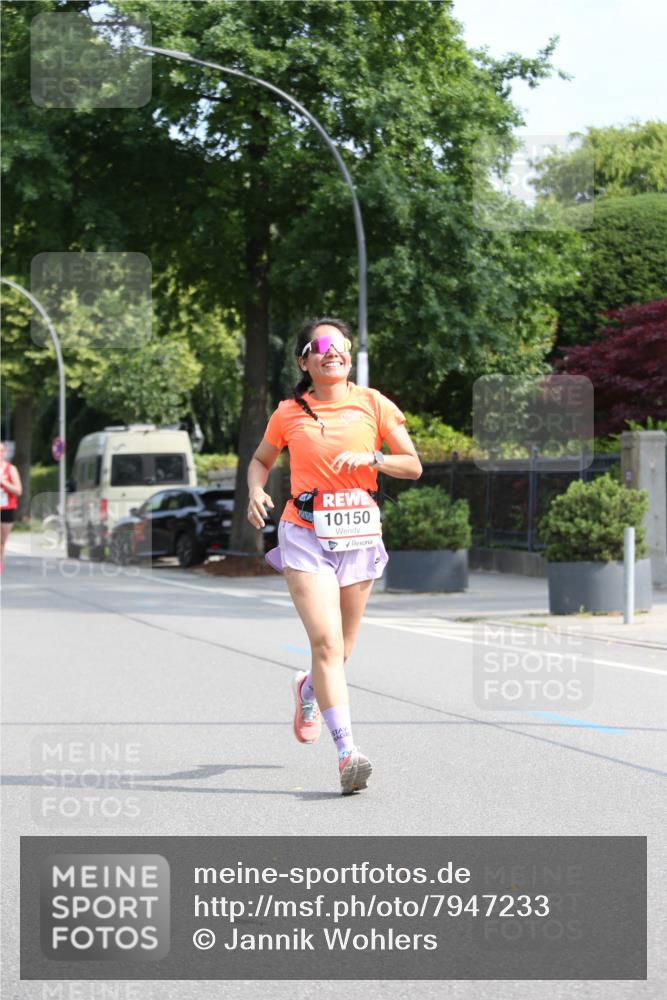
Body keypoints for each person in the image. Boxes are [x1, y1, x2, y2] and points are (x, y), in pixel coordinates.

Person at [247, 318, 422, 795]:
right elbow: (261, 460)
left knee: (340, 652)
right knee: (326, 645)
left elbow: (413, 464)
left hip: (360, 535)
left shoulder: (373, 403)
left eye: (340, 344)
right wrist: (255, 491)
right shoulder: (289, 412)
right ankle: (348, 753)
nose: (332, 351)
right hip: (304, 533)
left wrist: (374, 460)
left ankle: (307, 689)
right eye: (319, 345)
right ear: (304, 360)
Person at [1, 442, 23, 571]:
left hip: (7, 508)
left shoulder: (11, 469)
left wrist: (3, 482)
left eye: (1, 450)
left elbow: (18, 491)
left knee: (2, 542)